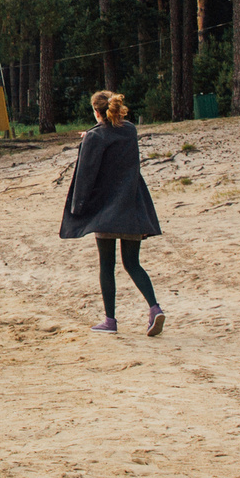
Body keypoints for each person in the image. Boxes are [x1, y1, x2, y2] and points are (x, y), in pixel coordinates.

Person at [58, 88, 165, 336]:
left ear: (97, 112)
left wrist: (78, 207)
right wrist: (91, 136)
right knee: (132, 263)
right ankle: (154, 308)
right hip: (132, 206)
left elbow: (86, 174)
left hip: (106, 210)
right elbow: (111, 135)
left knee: (106, 266)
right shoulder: (130, 130)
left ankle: (110, 320)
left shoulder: (95, 137)